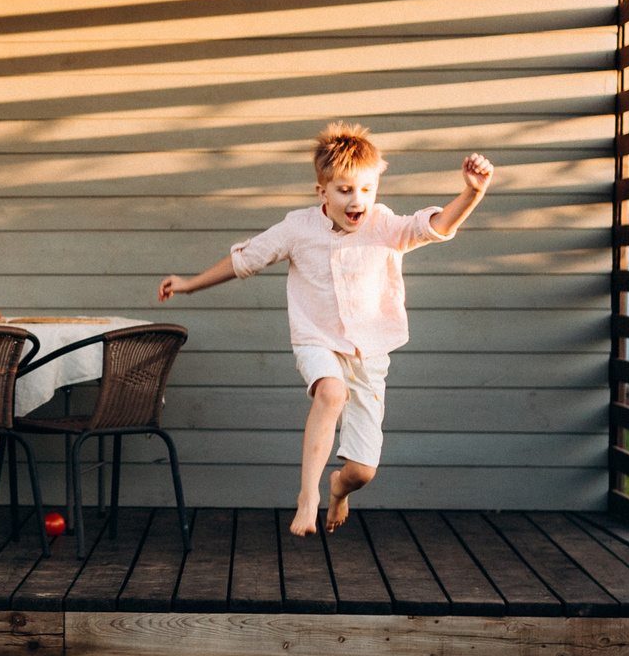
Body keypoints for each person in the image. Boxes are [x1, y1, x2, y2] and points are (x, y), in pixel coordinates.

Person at [158, 123, 495, 538]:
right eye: (345, 190)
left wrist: (472, 193)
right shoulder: (297, 228)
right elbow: (247, 259)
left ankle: (337, 489)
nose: (358, 201)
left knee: (361, 472)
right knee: (331, 392)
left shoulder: (384, 224)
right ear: (322, 192)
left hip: (369, 353)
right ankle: (308, 496)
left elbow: (435, 225)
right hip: (316, 340)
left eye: (367, 190)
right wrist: (189, 284)